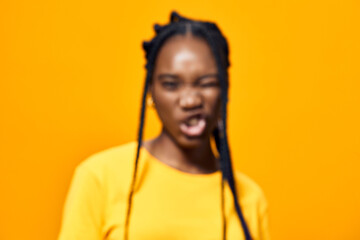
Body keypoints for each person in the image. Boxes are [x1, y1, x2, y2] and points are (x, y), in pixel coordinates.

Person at [58, 11, 270, 240]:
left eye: (206, 83)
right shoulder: (99, 177)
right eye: (171, 84)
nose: (190, 101)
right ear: (151, 92)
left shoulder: (248, 198)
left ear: (225, 90)